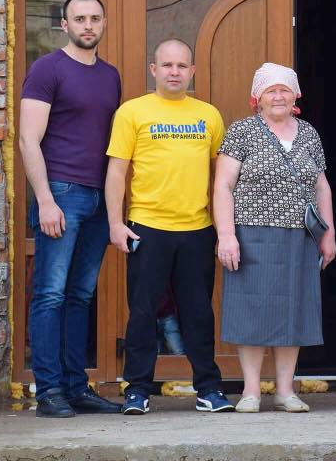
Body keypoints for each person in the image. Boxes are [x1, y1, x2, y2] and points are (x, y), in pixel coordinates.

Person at [105, 39, 234, 415]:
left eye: (181, 66)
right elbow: (116, 171)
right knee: (143, 313)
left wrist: (223, 228)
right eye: (167, 65)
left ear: (192, 71)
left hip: (197, 229)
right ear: (154, 70)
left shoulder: (208, 115)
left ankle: (209, 389)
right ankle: (137, 390)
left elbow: (222, 178)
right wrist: (115, 223)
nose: (174, 72)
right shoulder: (132, 112)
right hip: (147, 227)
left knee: (199, 313)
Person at [19, 0, 123, 418]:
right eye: (79, 19)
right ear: (65, 24)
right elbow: (28, 139)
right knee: (50, 295)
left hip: (98, 198)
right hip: (61, 193)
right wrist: (45, 200)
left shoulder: (110, 75)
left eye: (95, 18)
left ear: (103, 23)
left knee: (80, 296)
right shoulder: (47, 69)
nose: (88, 25)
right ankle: (49, 392)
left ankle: (77, 387)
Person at [213, 63, 336, 413]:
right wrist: (226, 234)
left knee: (293, 309)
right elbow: (223, 186)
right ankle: (251, 390)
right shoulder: (242, 131)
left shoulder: (309, 133)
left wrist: (328, 234)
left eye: (285, 89)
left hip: (300, 236)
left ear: (296, 95)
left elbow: (322, 187)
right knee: (251, 309)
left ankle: (285, 390)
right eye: (271, 90)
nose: (279, 96)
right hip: (251, 234)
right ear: (258, 97)